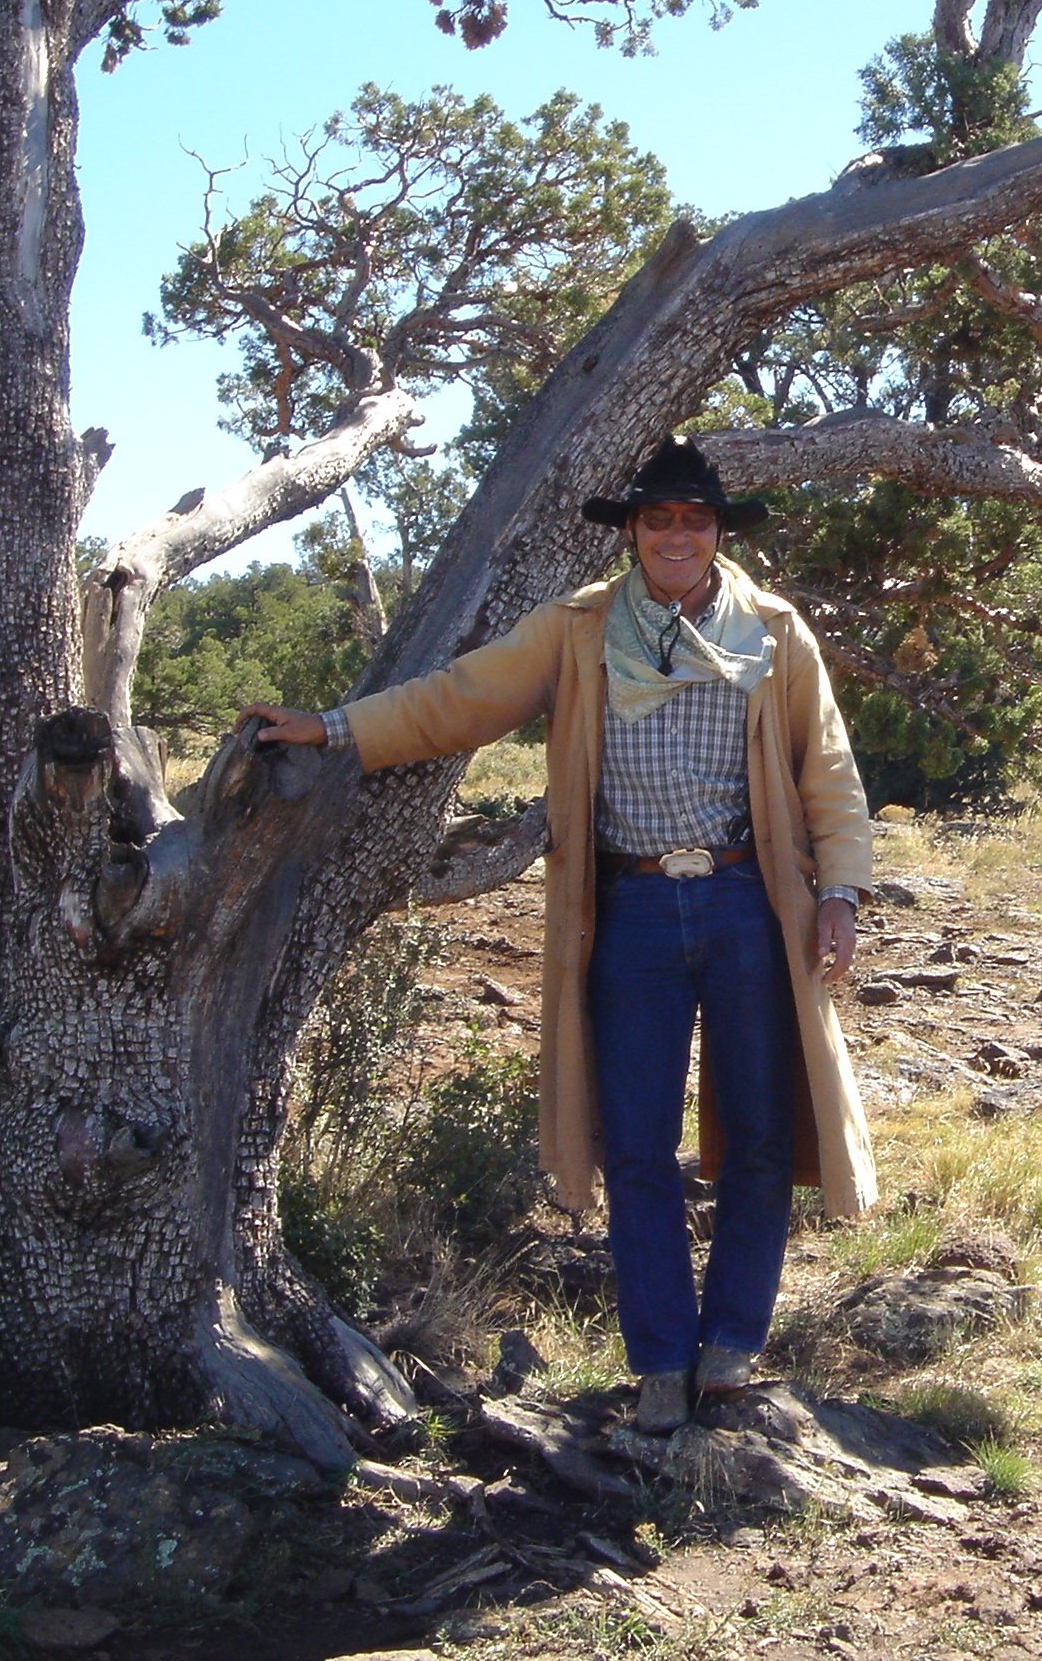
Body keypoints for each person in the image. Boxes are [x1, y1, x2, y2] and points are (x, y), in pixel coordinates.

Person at [244, 438, 875, 1435]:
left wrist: (838, 891)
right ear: (632, 532)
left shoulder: (773, 630)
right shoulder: (579, 628)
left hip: (749, 903)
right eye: (658, 519)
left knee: (758, 1137)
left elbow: (827, 771)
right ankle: (660, 1362)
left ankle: (730, 1349)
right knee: (637, 1145)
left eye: (695, 520)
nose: (676, 536)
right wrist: (336, 728)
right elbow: (462, 697)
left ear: (718, 533)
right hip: (629, 911)